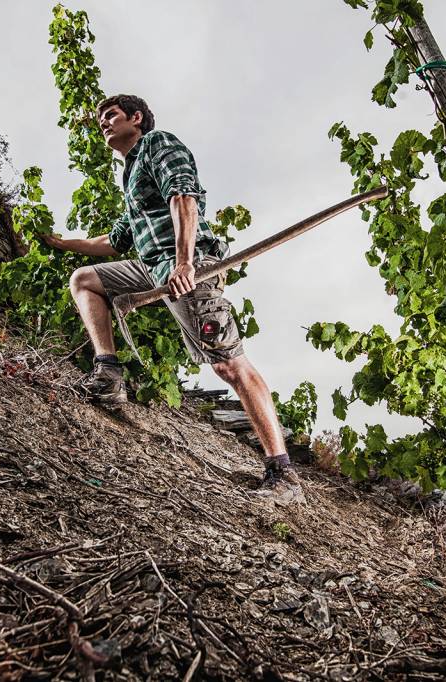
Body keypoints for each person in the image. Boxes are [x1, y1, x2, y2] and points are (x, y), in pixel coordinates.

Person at [40, 94, 302, 503]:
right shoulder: (129, 176)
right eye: (100, 120)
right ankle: (108, 372)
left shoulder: (158, 145)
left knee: (230, 366)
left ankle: (282, 472)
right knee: (85, 279)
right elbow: (115, 241)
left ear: (136, 118)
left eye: (110, 115)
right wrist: (59, 242)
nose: (104, 123)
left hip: (189, 263)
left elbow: (183, 197)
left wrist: (184, 264)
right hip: (150, 265)